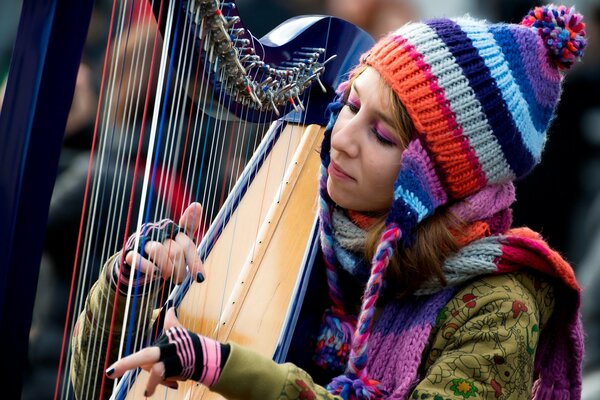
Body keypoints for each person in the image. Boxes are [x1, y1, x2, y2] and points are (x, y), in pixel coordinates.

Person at [71, 4, 587, 399]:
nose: (340, 137)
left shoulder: (501, 308)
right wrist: (129, 289)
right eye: (351, 104)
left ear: (437, 179)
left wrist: (225, 367)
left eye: (382, 136)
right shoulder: (310, 228)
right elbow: (89, 382)